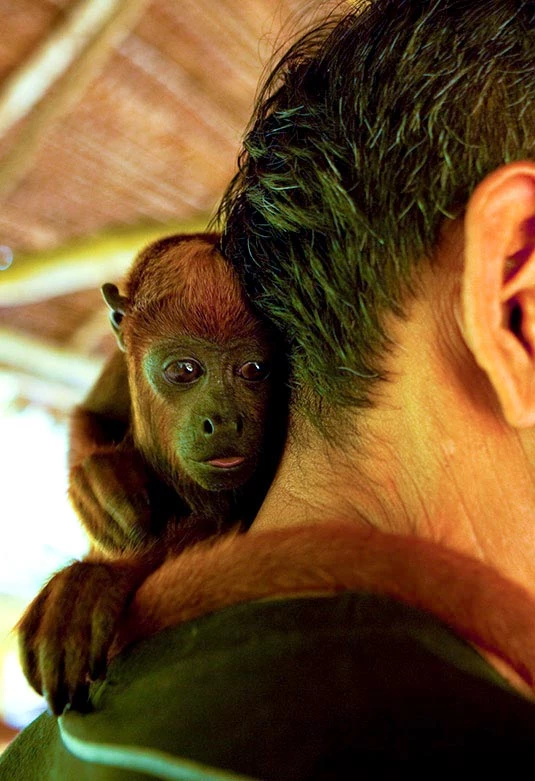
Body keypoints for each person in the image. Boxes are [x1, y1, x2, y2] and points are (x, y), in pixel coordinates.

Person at [4, 0, 535, 777]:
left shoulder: (57, 743)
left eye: (249, 371)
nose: (220, 412)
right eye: (182, 372)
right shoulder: (436, 729)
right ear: (514, 302)